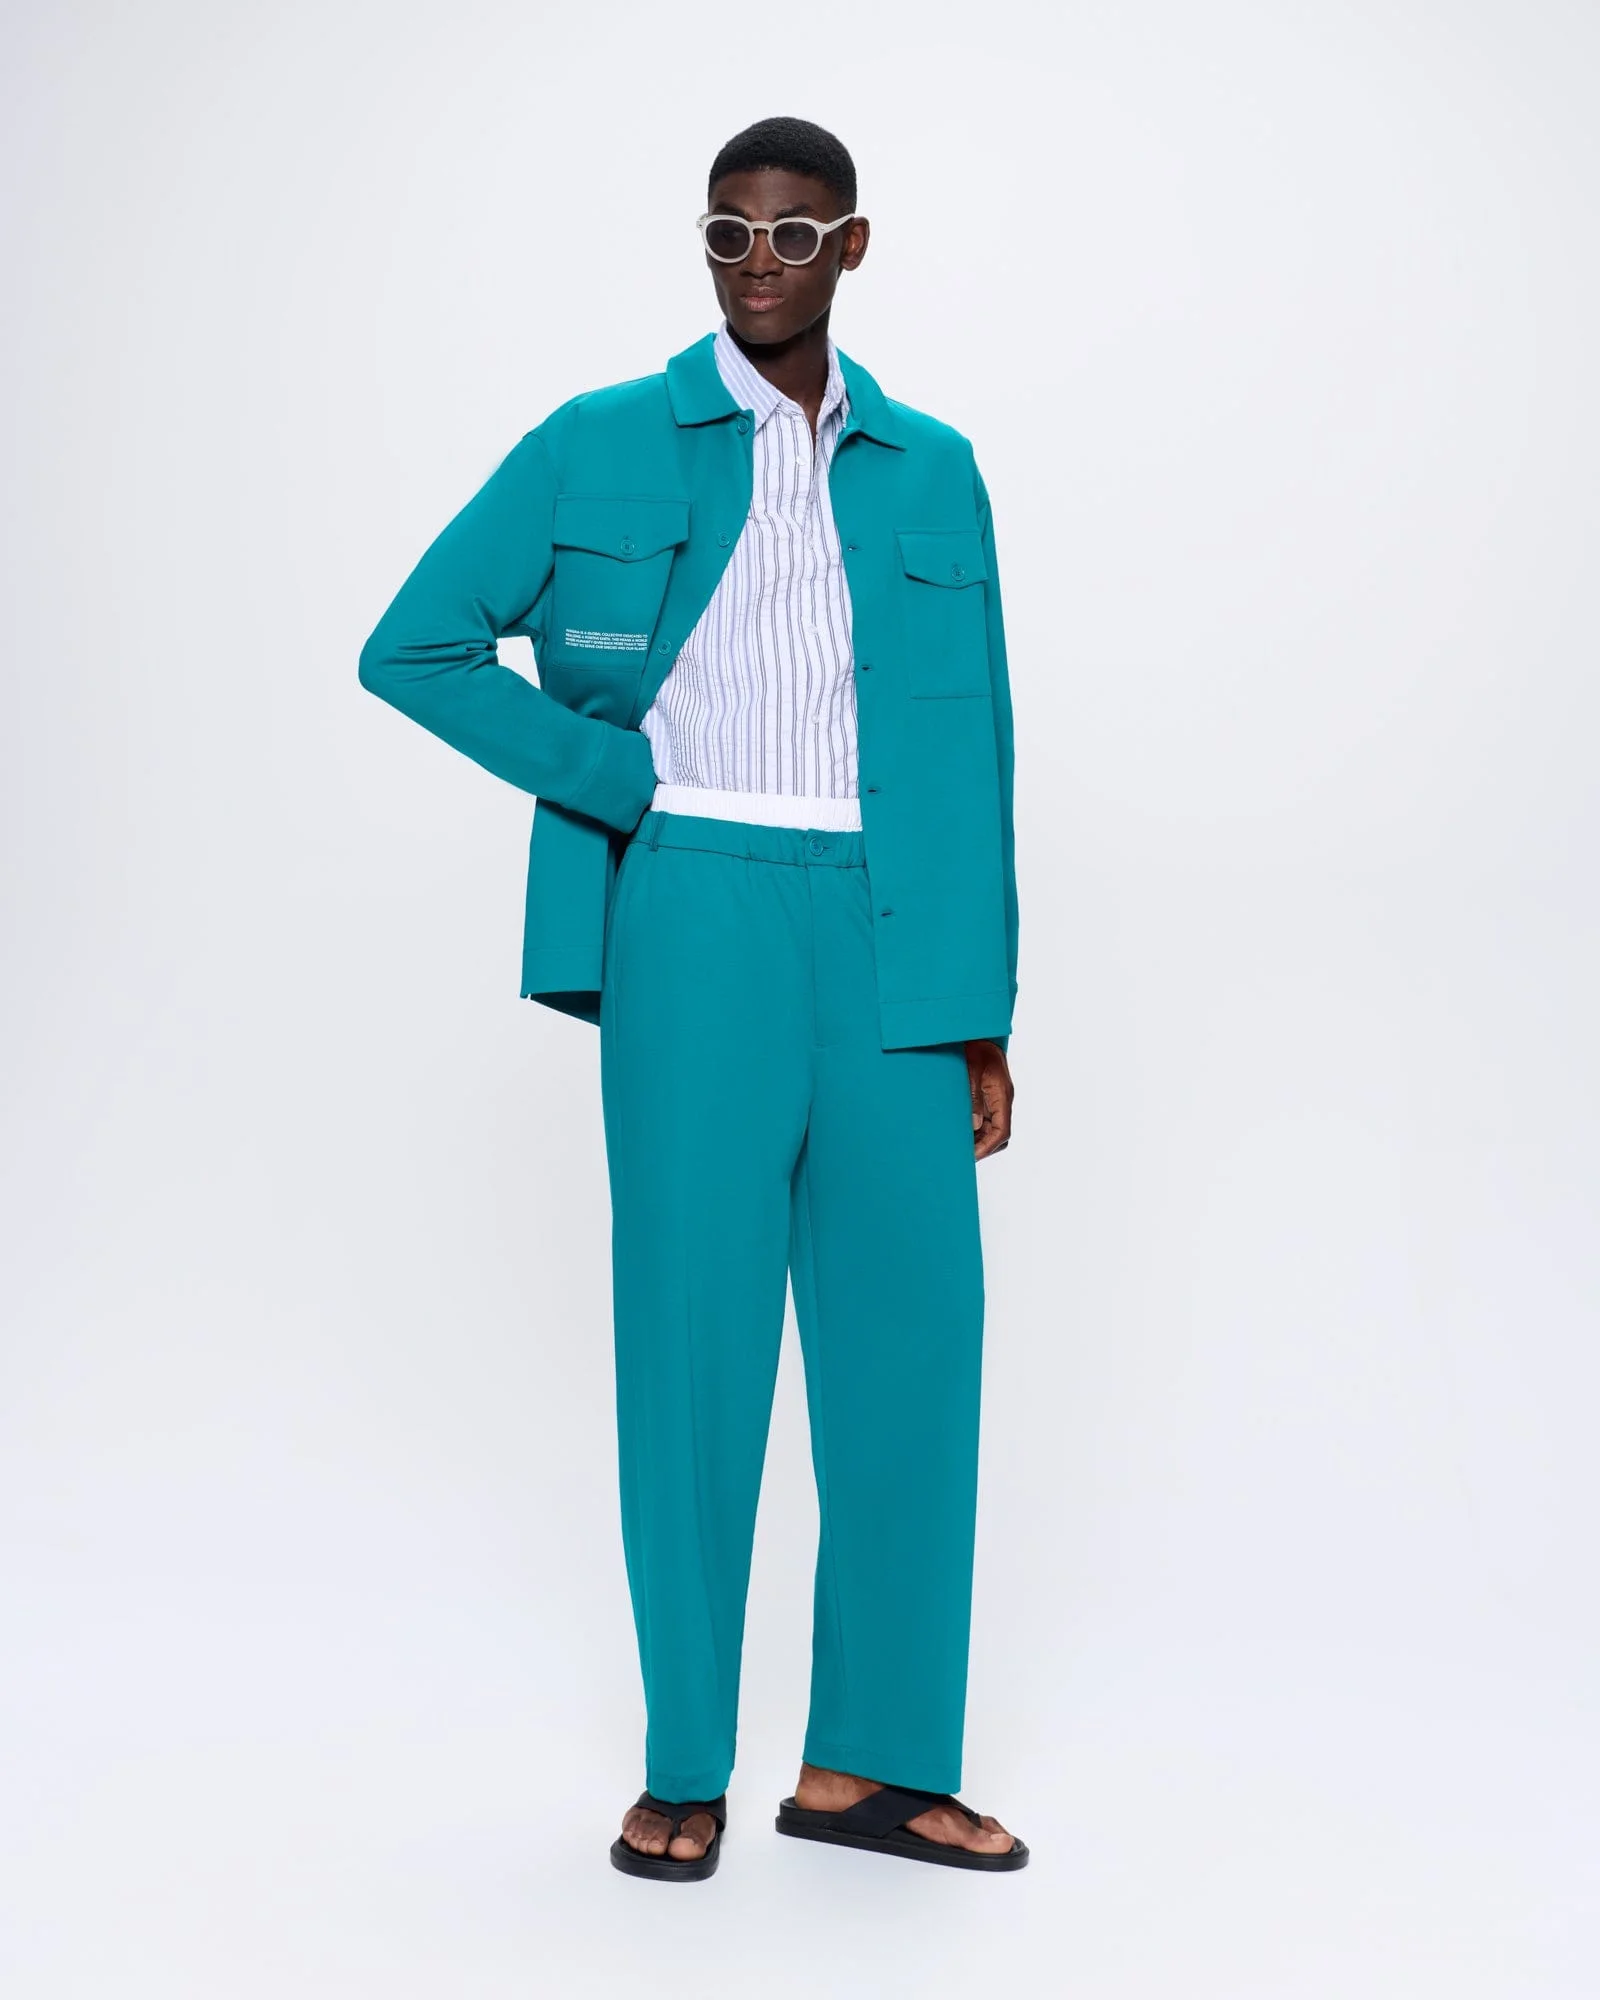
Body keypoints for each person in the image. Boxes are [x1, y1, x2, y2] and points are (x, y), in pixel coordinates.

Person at [358, 115, 1026, 1879]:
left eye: (795, 234)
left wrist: (982, 1005)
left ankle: (874, 1766)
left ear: (853, 247)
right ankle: (683, 1762)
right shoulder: (598, 440)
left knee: (913, 1348)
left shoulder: (937, 470)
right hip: (695, 911)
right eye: (730, 231)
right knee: (694, 1341)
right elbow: (414, 642)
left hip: (890, 928)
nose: (758, 262)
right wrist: (614, 783)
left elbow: (976, 751)